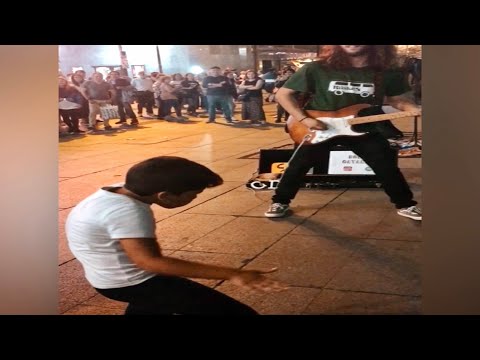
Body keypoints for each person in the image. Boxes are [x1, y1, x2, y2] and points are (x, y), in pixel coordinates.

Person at [66, 156, 287, 315]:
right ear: (165, 195)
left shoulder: (116, 190)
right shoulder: (129, 211)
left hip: (106, 280)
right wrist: (233, 274)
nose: (194, 199)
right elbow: (151, 263)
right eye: (193, 195)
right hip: (133, 283)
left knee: (152, 305)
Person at [265, 45, 422, 221]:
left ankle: (406, 204)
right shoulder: (317, 67)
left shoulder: (387, 71)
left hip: (363, 127)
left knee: (386, 166)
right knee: (297, 166)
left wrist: (413, 108)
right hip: (320, 126)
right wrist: (304, 119)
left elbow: (397, 100)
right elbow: (283, 95)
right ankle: (280, 201)